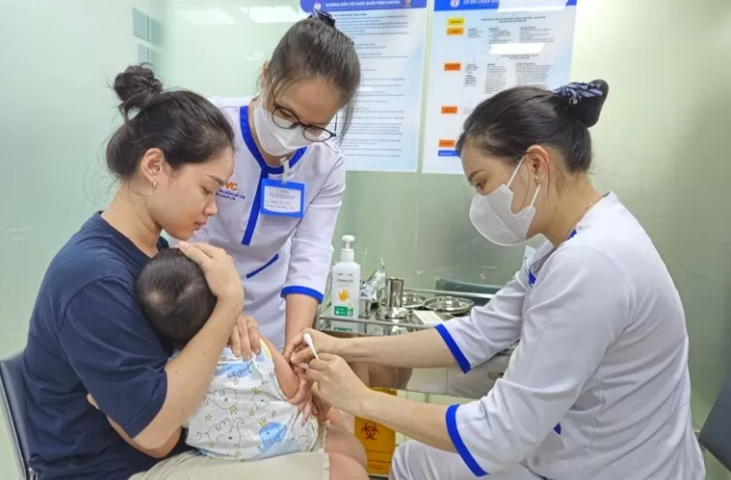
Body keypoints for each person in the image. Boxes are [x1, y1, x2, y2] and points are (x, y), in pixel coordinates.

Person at [287, 80, 707, 480]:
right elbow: (477, 334)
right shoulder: (567, 246)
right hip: (582, 452)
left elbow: (499, 433)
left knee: (419, 462)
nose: (482, 202)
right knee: (417, 460)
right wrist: (343, 346)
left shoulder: (592, 264)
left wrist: (361, 399)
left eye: (483, 183)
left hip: (614, 470)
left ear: (536, 164)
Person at [22, 65, 365, 480]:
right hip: (114, 468)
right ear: (154, 166)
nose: (213, 208)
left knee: (345, 442)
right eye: (207, 189)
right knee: (343, 472)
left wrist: (231, 327)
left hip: (165, 448)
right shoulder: (94, 279)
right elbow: (157, 435)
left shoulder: (158, 254)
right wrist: (228, 306)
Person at [188, 9, 361, 352]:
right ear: (266, 74)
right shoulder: (211, 125)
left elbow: (310, 254)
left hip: (271, 309)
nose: (294, 133)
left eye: (314, 127)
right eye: (285, 114)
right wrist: (224, 311)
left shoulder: (326, 161)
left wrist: (295, 346)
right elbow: (188, 236)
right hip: (196, 291)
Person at [133, 248, 367, 474]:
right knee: (346, 442)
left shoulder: (174, 374)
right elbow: (293, 389)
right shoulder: (254, 345)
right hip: (292, 441)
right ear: (218, 300)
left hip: (222, 455)